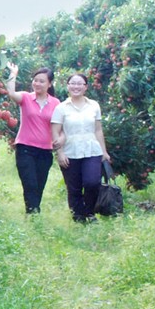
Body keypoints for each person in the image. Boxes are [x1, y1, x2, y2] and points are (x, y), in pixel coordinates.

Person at [50, 73, 111, 223]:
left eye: (80, 84)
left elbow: (98, 130)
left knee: (92, 182)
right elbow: (55, 132)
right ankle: (78, 217)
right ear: (68, 86)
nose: (76, 86)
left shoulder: (94, 105)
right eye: (73, 83)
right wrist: (60, 153)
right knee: (74, 187)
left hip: (92, 150)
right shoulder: (61, 108)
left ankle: (89, 212)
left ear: (85, 87)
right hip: (70, 151)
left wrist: (104, 151)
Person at [5, 62, 60, 214]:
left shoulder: (56, 103)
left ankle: (33, 212)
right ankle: (33, 213)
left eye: (42, 81)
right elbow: (11, 93)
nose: (37, 83)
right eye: (35, 80)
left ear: (49, 84)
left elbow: (60, 126)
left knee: (39, 185)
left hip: (45, 151)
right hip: (25, 149)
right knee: (30, 184)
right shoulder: (26, 98)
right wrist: (13, 74)